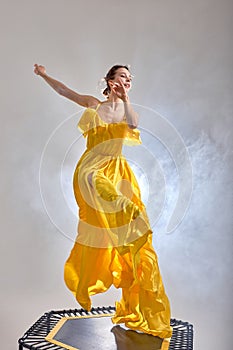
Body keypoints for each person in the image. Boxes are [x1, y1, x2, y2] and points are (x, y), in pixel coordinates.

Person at [34, 63, 173, 340]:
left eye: (130, 78)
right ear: (109, 80)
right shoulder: (93, 104)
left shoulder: (127, 110)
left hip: (119, 172)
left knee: (135, 224)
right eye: (122, 76)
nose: (127, 81)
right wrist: (44, 74)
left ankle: (134, 296)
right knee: (111, 195)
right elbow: (64, 91)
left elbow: (133, 124)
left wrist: (125, 99)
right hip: (92, 170)